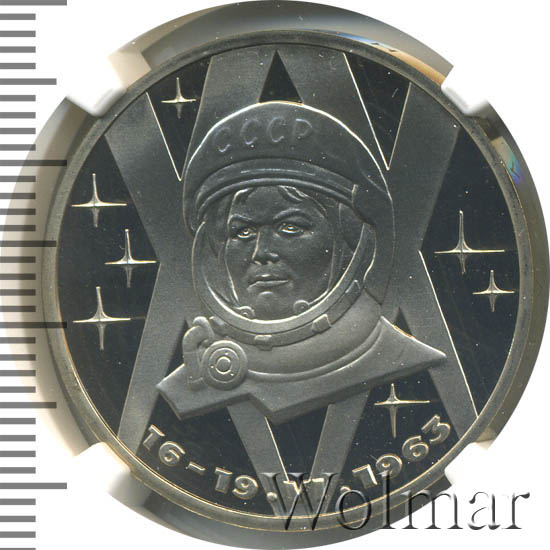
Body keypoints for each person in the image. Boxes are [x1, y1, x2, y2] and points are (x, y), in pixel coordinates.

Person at [157, 101, 445, 423]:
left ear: (352, 241)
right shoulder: (192, 381)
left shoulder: (403, 361)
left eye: (290, 227)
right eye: (242, 231)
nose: (261, 252)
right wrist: (200, 385)